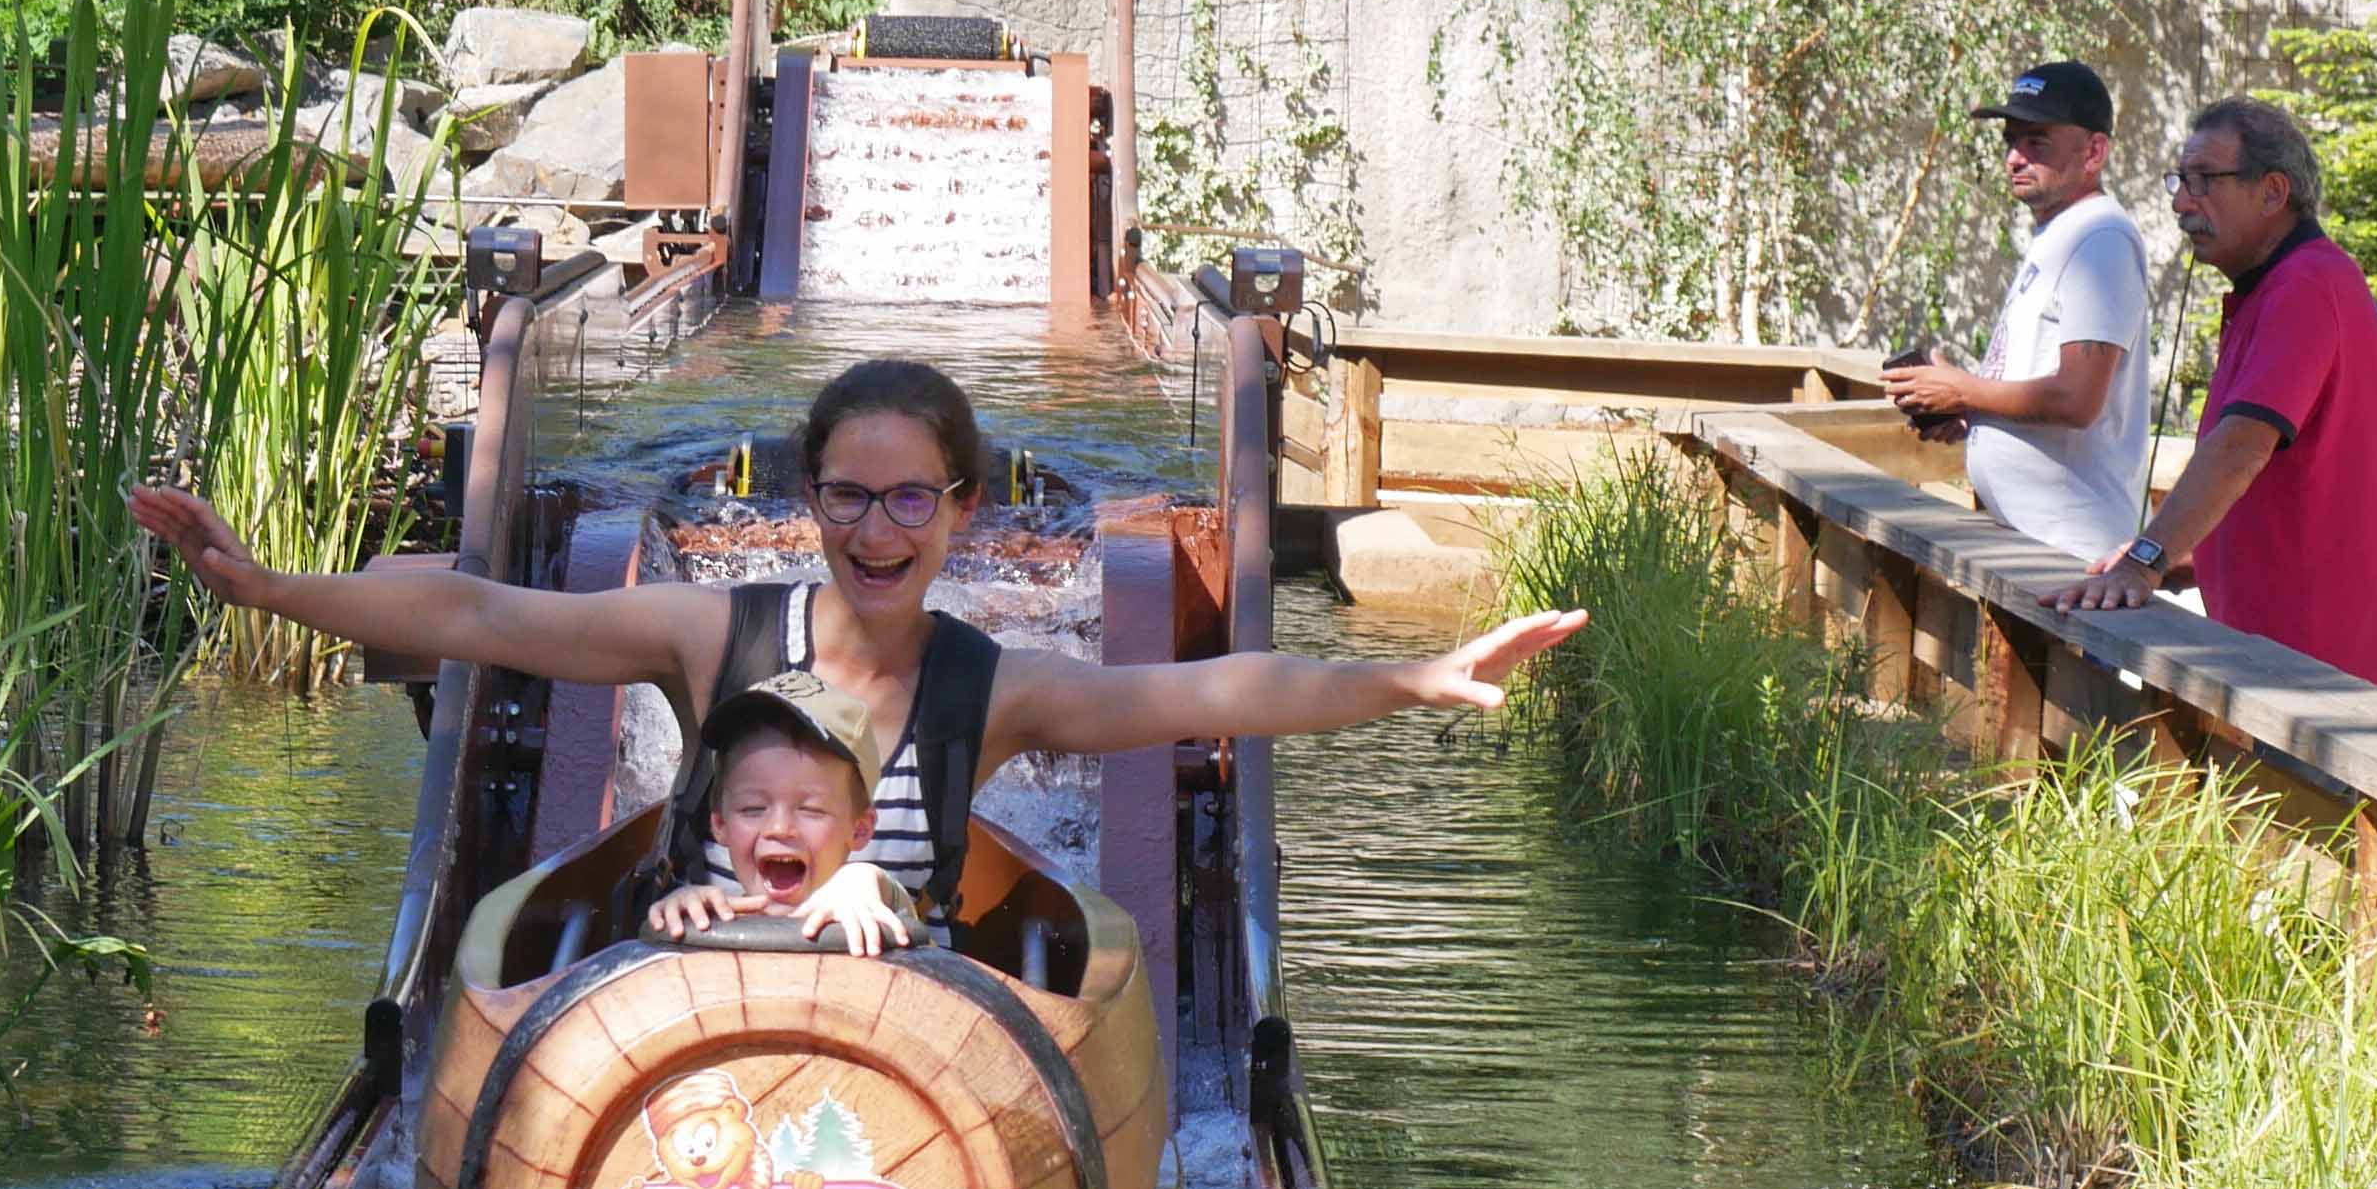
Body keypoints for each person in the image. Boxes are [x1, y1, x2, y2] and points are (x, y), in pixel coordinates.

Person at [125, 354, 1584, 943]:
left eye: (907, 499)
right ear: (809, 499)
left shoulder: (993, 691)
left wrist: (1413, 676)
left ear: (960, 508)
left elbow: (1214, 688)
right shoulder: (715, 633)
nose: (874, 530)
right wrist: (264, 586)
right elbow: (480, 616)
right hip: (691, 1016)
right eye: (844, 496)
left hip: (895, 1051)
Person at [2055, 98, 2377, 687]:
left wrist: (2146, 559)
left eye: (2204, 180)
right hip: (2289, 647)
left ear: (2272, 193)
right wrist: (2176, 555)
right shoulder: (2282, 286)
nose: (2181, 202)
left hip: (2318, 663)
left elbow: (2240, 448)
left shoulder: (2305, 284)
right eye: (2180, 180)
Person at [1878, 59, 2151, 560]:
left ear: (2095, 151)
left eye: (2037, 142)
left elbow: (2077, 399)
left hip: (2073, 556)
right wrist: (1970, 412)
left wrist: (1962, 389)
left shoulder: (2103, 241)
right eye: (2011, 140)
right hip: (2031, 543)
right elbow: (2039, 386)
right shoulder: (2062, 233)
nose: (2014, 159)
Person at [642, 678, 911, 955]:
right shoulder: (711, 923)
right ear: (720, 824)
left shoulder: (868, 914)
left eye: (811, 809)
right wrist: (679, 917)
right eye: (753, 808)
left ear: (860, 829)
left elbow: (906, 928)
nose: (779, 828)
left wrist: (869, 880)